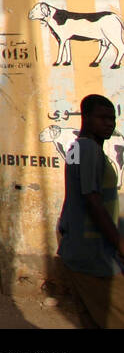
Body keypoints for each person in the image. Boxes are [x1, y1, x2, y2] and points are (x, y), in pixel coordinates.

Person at [56, 93, 124, 328]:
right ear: (85, 118)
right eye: (102, 117)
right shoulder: (88, 149)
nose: (109, 123)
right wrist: (119, 243)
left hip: (77, 251)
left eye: (112, 118)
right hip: (95, 257)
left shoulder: (77, 148)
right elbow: (92, 200)